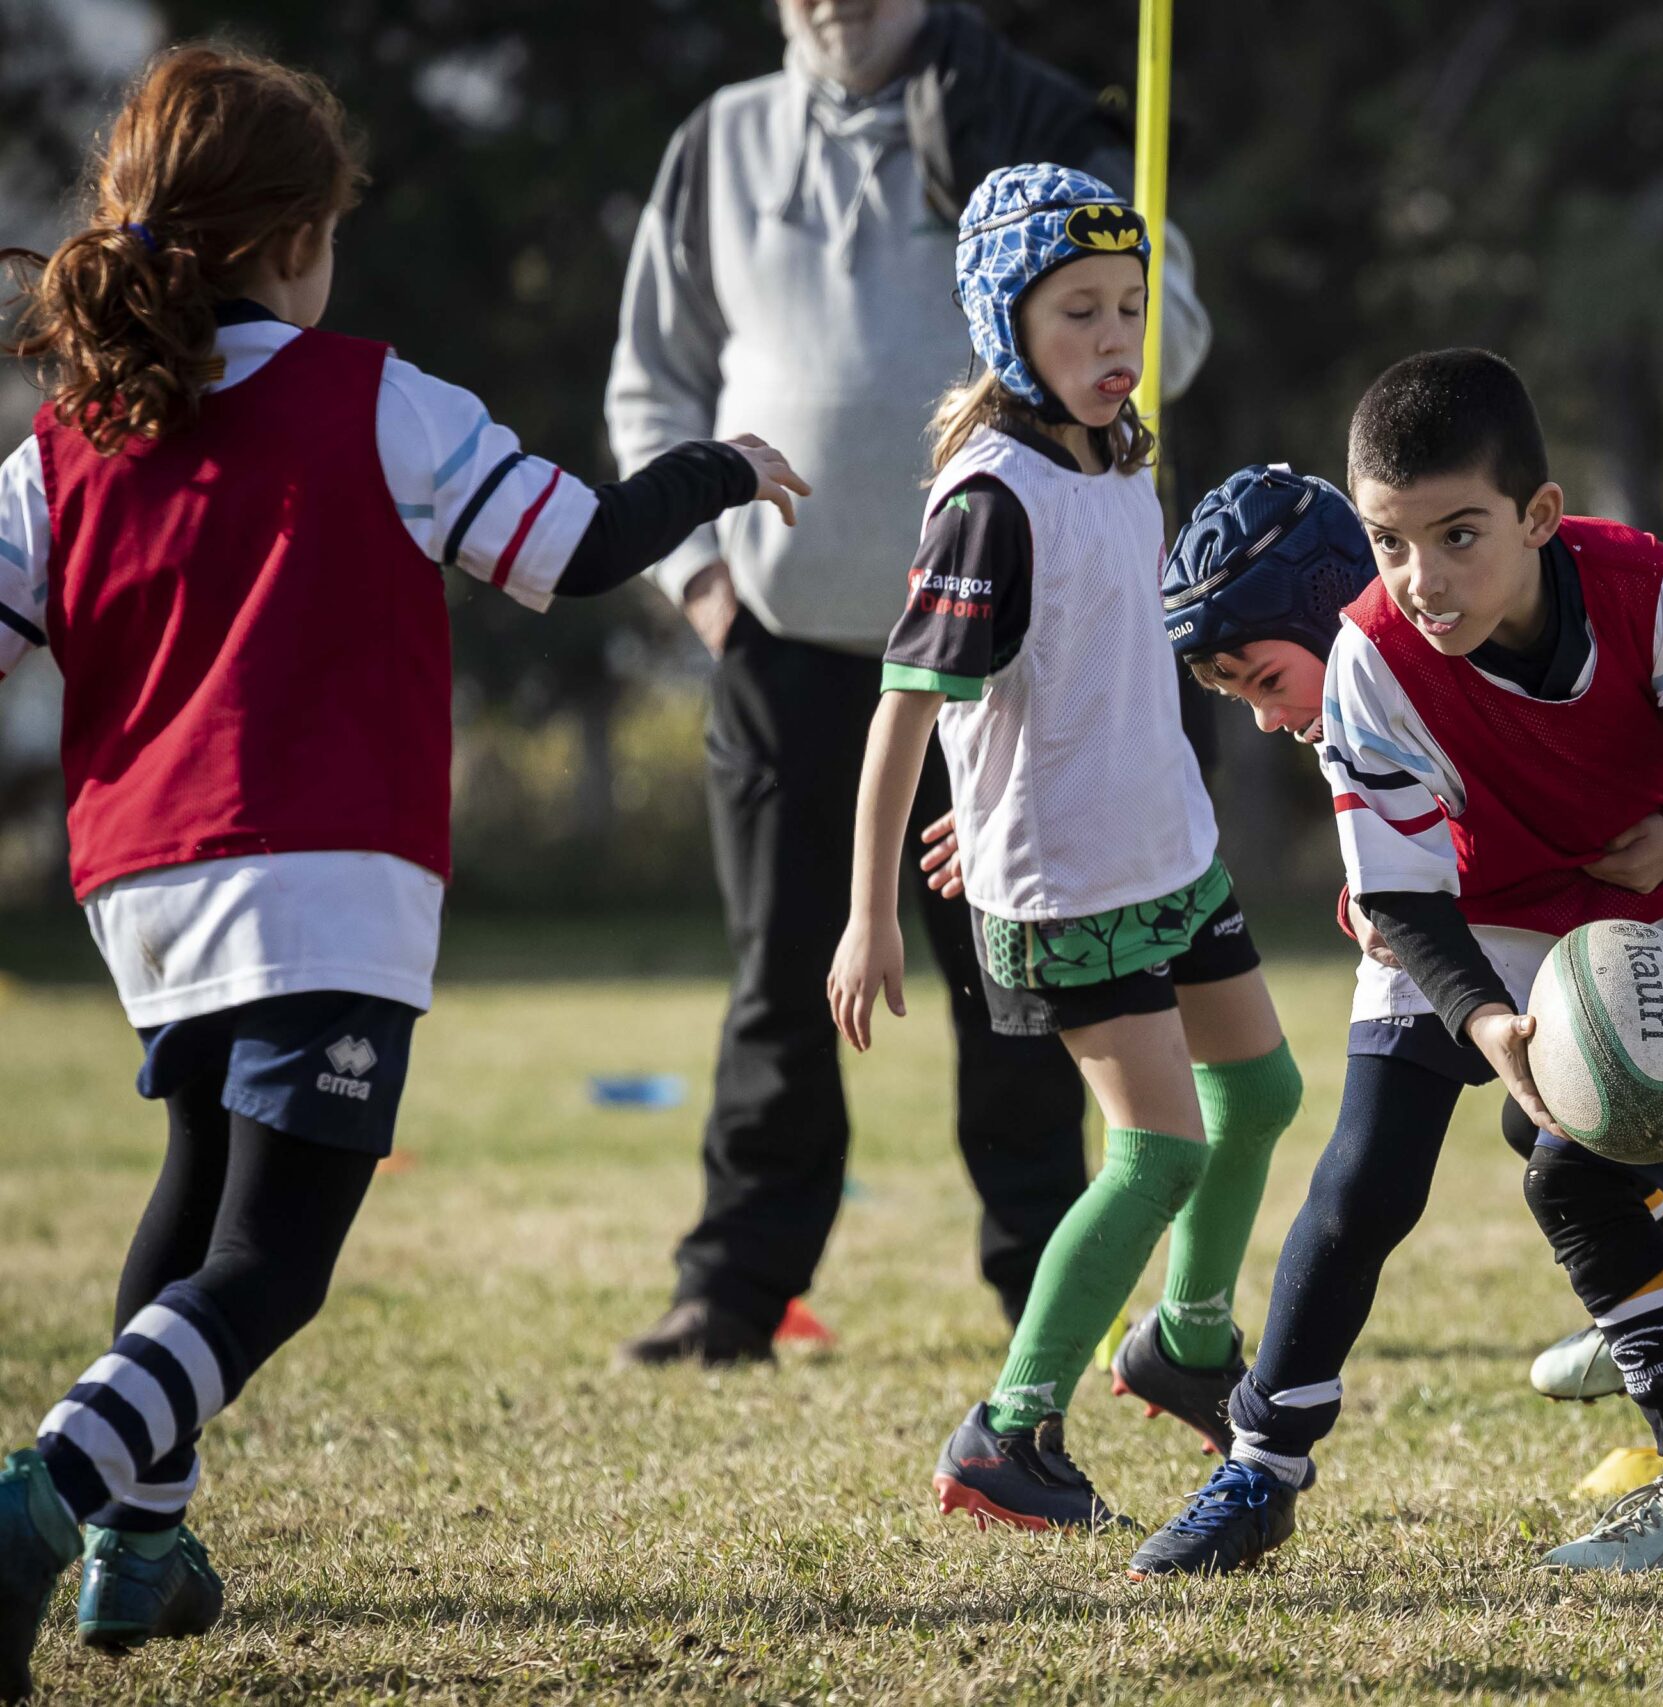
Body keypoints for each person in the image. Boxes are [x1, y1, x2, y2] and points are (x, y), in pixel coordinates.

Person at [0, 46, 806, 1698]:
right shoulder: (376, 395)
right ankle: (44, 1496)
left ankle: (137, 1551)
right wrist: (723, 469)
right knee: (271, 1262)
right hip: (324, 878)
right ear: (298, 236)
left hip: (143, 890)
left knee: (197, 1193)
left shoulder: (63, 445)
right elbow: (571, 550)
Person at [1128, 350, 1663, 1579]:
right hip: (1484, 921)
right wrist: (1487, 1025)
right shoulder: (1371, 649)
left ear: (1538, 516)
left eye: (1458, 536)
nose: (1421, 581)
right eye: (1388, 543)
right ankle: (1259, 1472)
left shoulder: (1641, 581)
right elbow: (1402, 893)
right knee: (1368, 1172)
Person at [607, 0, 1213, 1365]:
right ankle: (734, 1285)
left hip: (1007, 667)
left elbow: (1146, 333)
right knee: (778, 977)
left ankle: (1046, 1283)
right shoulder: (721, 143)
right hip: (780, 639)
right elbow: (651, 383)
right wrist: (702, 582)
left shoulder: (1035, 118)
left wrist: (1139, 294)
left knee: (1019, 993)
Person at [826, 166, 1299, 1533]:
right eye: (1079, 311)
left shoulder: (1125, 456)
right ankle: (1008, 1430)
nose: (1113, 340)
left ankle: (1188, 1344)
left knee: (1259, 1094)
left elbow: (1082, 668)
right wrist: (868, 917)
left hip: (1168, 845)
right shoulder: (990, 498)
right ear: (1005, 322)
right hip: (1073, 887)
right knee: (1155, 1153)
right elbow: (905, 715)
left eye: (1130, 309)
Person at [1150, 464, 1663, 1414]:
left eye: (1266, 682)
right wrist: (1368, 905)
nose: (1267, 717)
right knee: (1426, 1156)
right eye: (1239, 699)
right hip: (1493, 943)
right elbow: (1405, 849)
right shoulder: (1352, 707)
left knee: (1582, 1127)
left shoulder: (1463, 648)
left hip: (1621, 932)